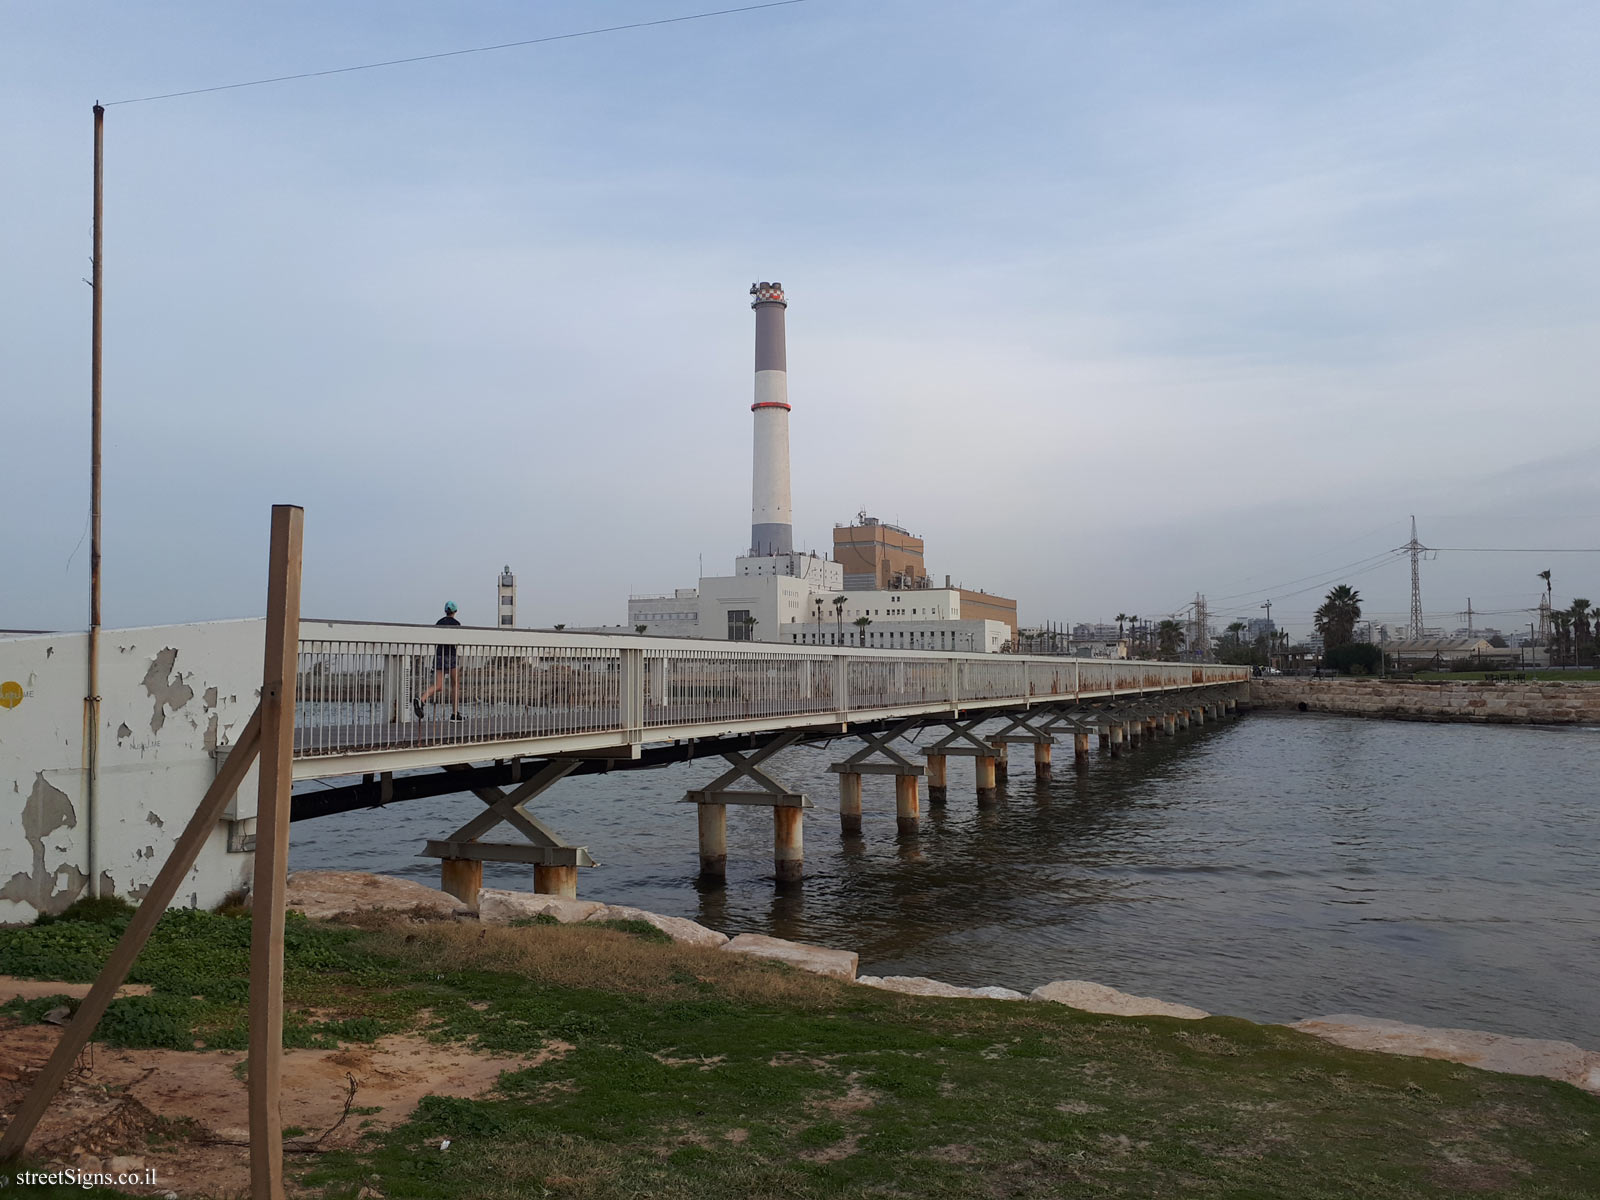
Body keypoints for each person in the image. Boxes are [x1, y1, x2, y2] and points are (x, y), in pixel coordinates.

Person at [414, 601, 463, 720]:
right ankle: (455, 714)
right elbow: (458, 639)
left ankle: (422, 699)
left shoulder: (439, 623)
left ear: (445, 611)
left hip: (439, 655)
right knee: (455, 684)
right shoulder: (456, 624)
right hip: (450, 655)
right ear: (455, 611)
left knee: (439, 685)